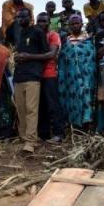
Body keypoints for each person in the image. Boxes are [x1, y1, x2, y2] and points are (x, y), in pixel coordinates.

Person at [12, 9, 50, 153]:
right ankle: (23, 137)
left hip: (33, 76)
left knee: (31, 109)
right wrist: (17, 57)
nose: (20, 19)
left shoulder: (38, 32)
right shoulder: (20, 34)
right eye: (18, 17)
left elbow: (47, 54)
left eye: (23, 16)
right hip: (19, 76)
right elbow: (19, 53)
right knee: (20, 109)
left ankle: (31, 141)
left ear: (30, 17)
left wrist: (29, 56)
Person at [58, 14, 96, 129]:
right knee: (72, 98)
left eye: (77, 23)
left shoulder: (88, 39)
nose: (75, 26)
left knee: (86, 98)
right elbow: (62, 58)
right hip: (70, 77)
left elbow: (91, 56)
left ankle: (86, 125)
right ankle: (74, 126)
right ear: (69, 25)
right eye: (72, 24)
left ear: (81, 24)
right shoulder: (66, 40)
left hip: (86, 76)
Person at [36, 13, 65, 143]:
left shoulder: (53, 35)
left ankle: (59, 134)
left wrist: (30, 56)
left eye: (44, 21)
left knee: (53, 104)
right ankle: (44, 134)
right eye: (39, 21)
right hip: (37, 75)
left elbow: (52, 54)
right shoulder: (37, 36)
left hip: (50, 74)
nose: (41, 23)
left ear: (49, 23)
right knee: (41, 105)